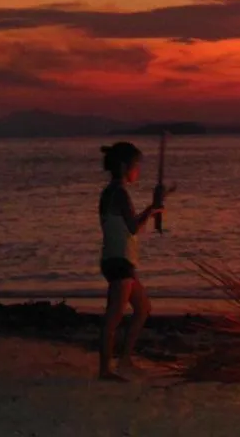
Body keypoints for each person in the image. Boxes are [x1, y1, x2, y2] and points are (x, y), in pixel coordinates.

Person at [97, 141, 165, 380]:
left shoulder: (110, 192)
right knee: (113, 318)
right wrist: (151, 210)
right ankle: (105, 370)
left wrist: (152, 210)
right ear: (126, 166)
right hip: (118, 262)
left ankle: (125, 359)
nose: (138, 171)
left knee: (143, 308)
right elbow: (133, 227)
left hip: (119, 260)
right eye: (136, 166)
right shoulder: (119, 193)